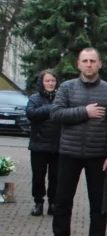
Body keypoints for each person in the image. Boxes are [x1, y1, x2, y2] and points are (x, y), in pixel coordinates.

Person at [47, 48, 107, 236]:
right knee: (62, 201)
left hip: (99, 156)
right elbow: (56, 114)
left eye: (92, 61)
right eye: (85, 61)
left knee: (99, 204)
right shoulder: (67, 88)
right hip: (68, 153)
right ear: (78, 64)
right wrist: (85, 111)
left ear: (99, 64)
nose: (88, 65)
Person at [25, 70, 61, 217]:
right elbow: (31, 114)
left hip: (57, 145)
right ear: (42, 82)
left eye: (53, 80)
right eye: (47, 81)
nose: (50, 83)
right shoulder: (35, 98)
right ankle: (38, 202)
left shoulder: (61, 97)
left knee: (55, 177)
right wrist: (51, 109)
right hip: (38, 145)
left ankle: (53, 203)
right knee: (38, 176)